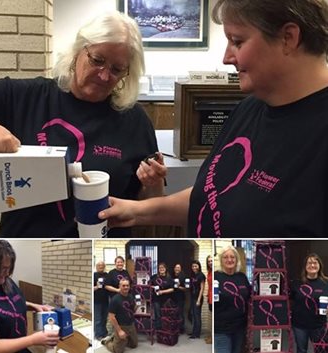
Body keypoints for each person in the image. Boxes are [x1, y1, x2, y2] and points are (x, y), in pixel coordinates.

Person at [99, 0, 328, 237]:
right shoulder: (249, 109)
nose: (227, 58)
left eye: (237, 42)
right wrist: (136, 211)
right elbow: (212, 195)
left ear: (288, 38)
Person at [0, 10, 166, 237]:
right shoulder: (23, 97)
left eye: (117, 70)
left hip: (95, 248)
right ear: (78, 52)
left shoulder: (134, 120)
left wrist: (152, 183)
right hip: (25, 245)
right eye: (97, 61)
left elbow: (147, 206)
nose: (105, 76)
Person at [0, 240, 59, 353]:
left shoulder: (5, 281)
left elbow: (9, 302)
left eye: (9, 268)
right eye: (3, 268)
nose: (7, 273)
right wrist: (33, 340)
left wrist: (33, 305)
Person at [214, 245, 251, 353]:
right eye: (225, 257)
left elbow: (249, 297)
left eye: (232, 257)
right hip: (221, 329)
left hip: (240, 327)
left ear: (237, 259)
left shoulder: (242, 277)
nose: (229, 260)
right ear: (221, 260)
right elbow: (212, 303)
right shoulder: (216, 276)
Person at [290, 253, 328, 353]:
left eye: (315, 263)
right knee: (301, 350)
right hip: (299, 325)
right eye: (309, 263)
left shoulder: (326, 283)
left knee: (321, 350)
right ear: (305, 266)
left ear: (320, 265)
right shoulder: (296, 283)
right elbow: (290, 301)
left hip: (319, 325)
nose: (312, 265)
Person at [101, 279, 138, 353]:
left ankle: (118, 338)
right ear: (119, 286)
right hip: (121, 326)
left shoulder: (130, 296)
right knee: (118, 351)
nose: (125, 287)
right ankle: (107, 341)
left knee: (134, 345)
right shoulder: (115, 299)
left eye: (127, 285)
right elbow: (111, 317)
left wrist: (138, 306)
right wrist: (119, 331)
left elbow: (132, 311)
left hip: (131, 324)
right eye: (123, 285)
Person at [149, 262, 174, 330]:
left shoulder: (169, 278)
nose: (161, 269)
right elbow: (149, 285)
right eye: (160, 268)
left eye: (163, 267)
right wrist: (153, 287)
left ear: (165, 269)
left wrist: (162, 292)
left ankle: (165, 329)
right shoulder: (154, 277)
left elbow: (172, 289)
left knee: (165, 315)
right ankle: (158, 330)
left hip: (166, 300)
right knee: (157, 315)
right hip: (156, 299)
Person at [189, 260, 205, 339]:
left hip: (198, 298)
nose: (194, 268)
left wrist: (198, 300)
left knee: (197, 316)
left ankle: (197, 334)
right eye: (193, 266)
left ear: (198, 266)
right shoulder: (193, 275)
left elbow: (202, 288)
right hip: (193, 297)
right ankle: (194, 331)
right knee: (194, 315)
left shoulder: (201, 275)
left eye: (195, 266)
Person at [94, 261, 109, 341]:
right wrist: (96, 286)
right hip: (97, 301)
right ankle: (98, 334)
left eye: (102, 265)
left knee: (104, 318)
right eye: (99, 265)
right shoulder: (94, 275)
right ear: (96, 266)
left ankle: (104, 333)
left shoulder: (107, 275)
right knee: (98, 319)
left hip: (106, 300)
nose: (101, 266)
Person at [171, 263, 187, 333]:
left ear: (180, 269)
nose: (177, 269)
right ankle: (175, 328)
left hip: (180, 298)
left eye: (178, 268)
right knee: (174, 313)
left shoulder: (183, 277)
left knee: (180, 313)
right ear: (174, 269)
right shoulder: (172, 276)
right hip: (173, 298)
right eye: (176, 267)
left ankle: (181, 329)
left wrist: (178, 286)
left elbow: (186, 289)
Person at [205, 255, 212, 344]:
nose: (210, 262)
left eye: (211, 261)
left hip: (214, 297)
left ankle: (212, 338)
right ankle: (211, 336)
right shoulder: (209, 272)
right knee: (211, 316)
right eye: (209, 261)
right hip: (209, 296)